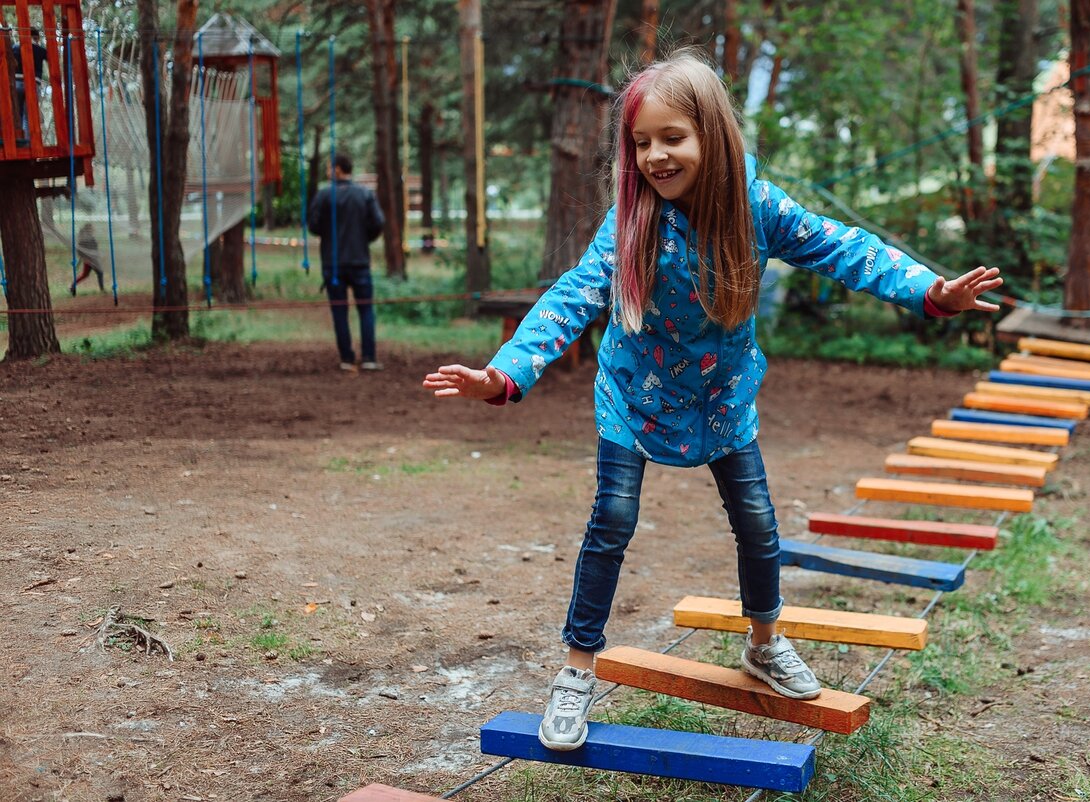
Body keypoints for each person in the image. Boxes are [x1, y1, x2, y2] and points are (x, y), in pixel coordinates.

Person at [423, 50, 1003, 752]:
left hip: (723, 399)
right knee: (612, 521)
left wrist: (927, 290)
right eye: (641, 143)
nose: (656, 156)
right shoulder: (630, 219)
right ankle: (578, 667)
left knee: (758, 524)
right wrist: (505, 372)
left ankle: (762, 642)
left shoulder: (756, 209)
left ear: (713, 136)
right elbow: (573, 295)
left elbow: (845, 247)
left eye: (673, 138)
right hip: (633, 395)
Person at [308, 152, 385, 372]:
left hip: (333, 265)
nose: (327, 171)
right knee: (366, 309)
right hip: (359, 260)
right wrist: (364, 238)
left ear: (338, 169)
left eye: (329, 167)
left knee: (339, 311)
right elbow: (378, 222)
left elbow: (313, 225)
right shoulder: (364, 194)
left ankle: (347, 358)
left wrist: (329, 233)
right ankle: (369, 357)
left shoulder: (324, 196)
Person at [11, 27, 47, 143]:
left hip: (16, 83)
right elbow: (51, 57)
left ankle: (18, 141)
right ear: (36, 37)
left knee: (18, 115)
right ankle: (28, 143)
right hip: (33, 84)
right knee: (29, 116)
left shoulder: (15, 48)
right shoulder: (40, 50)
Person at [69, 223, 105, 295]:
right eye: (92, 228)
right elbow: (80, 250)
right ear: (88, 229)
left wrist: (98, 254)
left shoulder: (90, 237)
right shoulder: (85, 238)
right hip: (89, 260)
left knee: (85, 275)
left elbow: (94, 248)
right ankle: (102, 290)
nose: (93, 229)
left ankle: (72, 286)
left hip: (93, 259)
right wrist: (85, 258)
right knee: (99, 273)